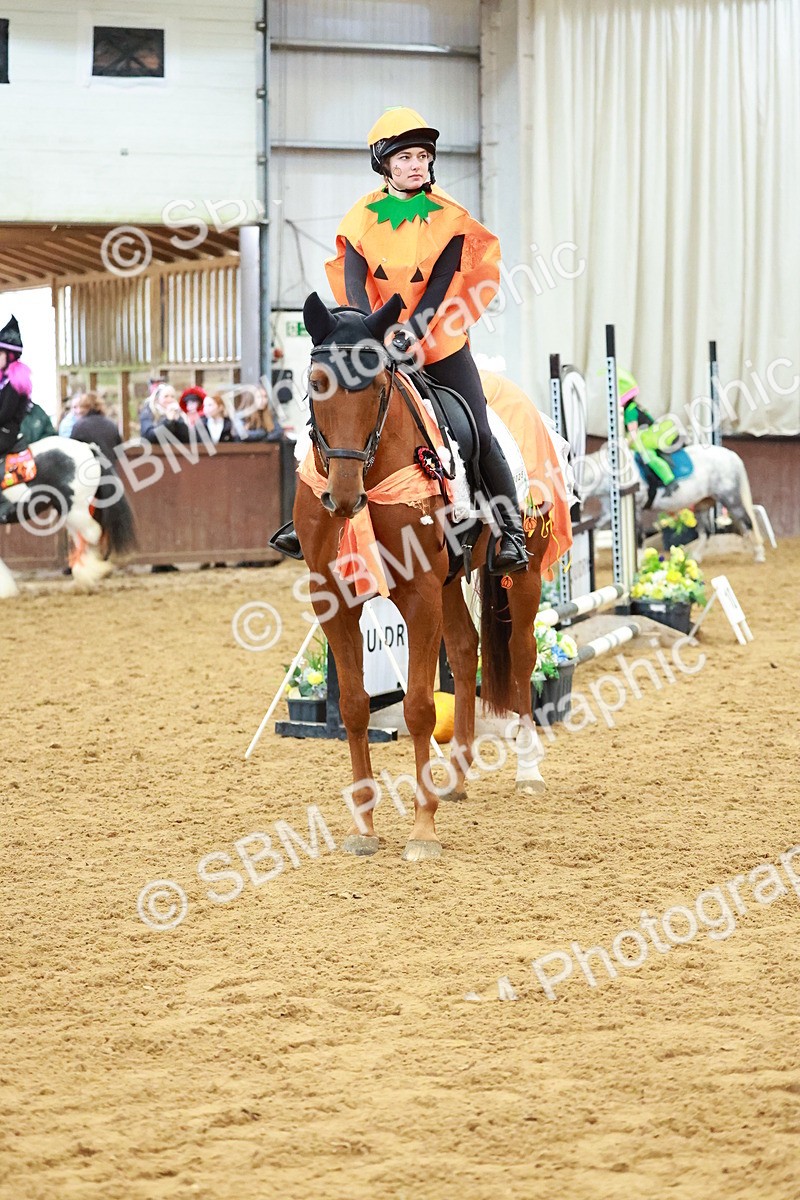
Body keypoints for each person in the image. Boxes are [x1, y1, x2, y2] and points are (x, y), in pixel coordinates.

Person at [272, 106, 528, 574]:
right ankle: (302, 520)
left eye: (423, 157)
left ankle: (509, 530)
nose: (416, 165)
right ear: (384, 163)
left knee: (479, 431)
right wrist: (367, 334)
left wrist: (409, 336)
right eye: (405, 157)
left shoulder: (451, 218)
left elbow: (438, 288)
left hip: (439, 341)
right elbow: (354, 286)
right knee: (328, 412)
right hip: (371, 336)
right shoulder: (360, 218)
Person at [618, 370, 679, 496]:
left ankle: (669, 480)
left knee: (648, 457)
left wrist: (624, 443)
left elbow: (633, 433)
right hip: (650, 433)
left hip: (647, 438)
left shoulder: (630, 412)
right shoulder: (635, 406)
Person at [0, 315, 36, 524]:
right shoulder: (3, 381)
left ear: (10, 355)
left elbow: (3, 415)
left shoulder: (15, 382)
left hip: (6, 432)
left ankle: (3, 504)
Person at [70, 392, 123, 468]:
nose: (77, 411)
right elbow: (119, 452)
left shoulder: (79, 426)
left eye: (80, 406)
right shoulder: (111, 424)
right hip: (110, 473)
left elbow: (72, 453)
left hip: (89, 473)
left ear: (86, 408)